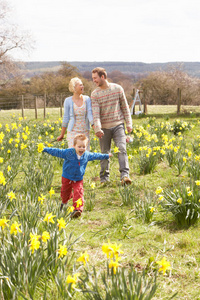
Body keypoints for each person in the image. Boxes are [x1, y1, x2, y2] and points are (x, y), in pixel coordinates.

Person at [43, 134, 112, 218]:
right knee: (65, 192)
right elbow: (57, 151)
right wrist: (45, 149)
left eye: (83, 147)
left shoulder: (86, 155)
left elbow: (96, 155)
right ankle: (64, 203)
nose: (81, 149)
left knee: (79, 192)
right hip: (67, 177)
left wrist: (106, 156)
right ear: (74, 146)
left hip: (78, 179)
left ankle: (77, 210)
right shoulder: (68, 153)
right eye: (79, 146)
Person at [91, 67, 132, 185]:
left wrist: (129, 123)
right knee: (104, 152)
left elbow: (125, 107)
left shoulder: (117, 89)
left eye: (95, 78)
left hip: (118, 124)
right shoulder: (95, 94)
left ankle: (125, 176)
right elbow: (96, 114)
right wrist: (98, 128)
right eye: (93, 78)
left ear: (102, 77)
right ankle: (104, 179)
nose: (94, 80)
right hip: (104, 128)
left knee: (122, 149)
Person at [57, 77, 94, 150]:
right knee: (73, 154)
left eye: (82, 85)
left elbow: (90, 114)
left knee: (84, 154)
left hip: (84, 132)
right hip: (73, 132)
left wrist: (95, 128)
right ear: (74, 87)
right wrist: (62, 134)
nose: (82, 86)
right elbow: (66, 118)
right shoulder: (68, 101)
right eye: (80, 85)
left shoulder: (87, 99)